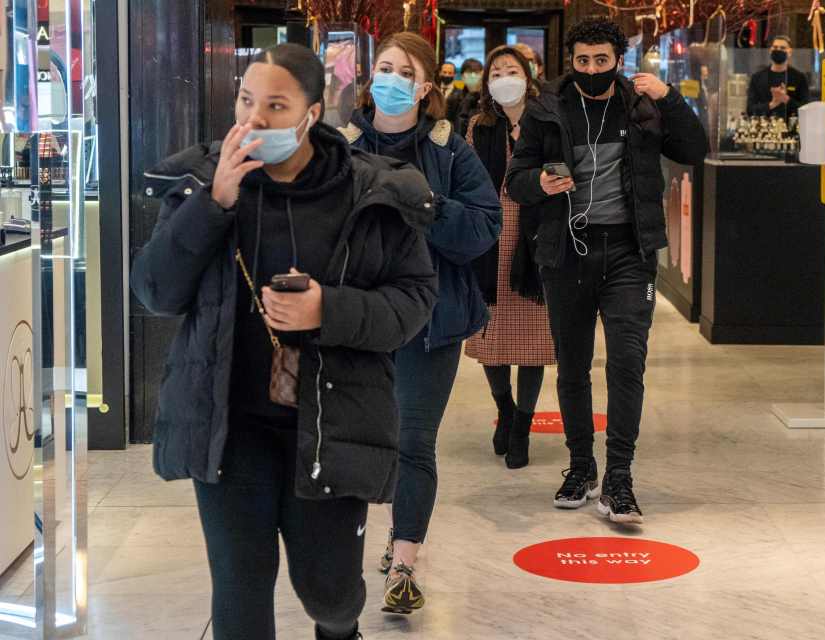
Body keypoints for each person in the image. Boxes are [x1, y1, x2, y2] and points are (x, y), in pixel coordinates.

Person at [131, 44, 438, 640]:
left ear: (312, 113)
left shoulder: (370, 191)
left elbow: (415, 300)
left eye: (275, 105)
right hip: (230, 429)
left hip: (332, 424)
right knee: (240, 595)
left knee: (331, 596)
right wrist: (213, 202)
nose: (255, 119)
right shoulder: (204, 182)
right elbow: (155, 292)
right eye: (247, 101)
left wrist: (329, 308)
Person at [506, 18, 707, 524]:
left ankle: (619, 477)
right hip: (566, 250)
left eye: (601, 60)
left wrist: (670, 100)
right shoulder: (547, 108)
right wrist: (540, 183)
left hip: (628, 252)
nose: (591, 69)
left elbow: (693, 150)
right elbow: (516, 180)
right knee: (573, 366)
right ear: (569, 62)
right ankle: (580, 466)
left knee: (626, 364)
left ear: (619, 60)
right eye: (582, 61)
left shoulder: (640, 105)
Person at [339, 32, 501, 615]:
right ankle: (352, 549)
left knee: (412, 441)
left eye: (406, 72)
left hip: (429, 321)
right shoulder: (341, 144)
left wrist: (425, 204)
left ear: (426, 86)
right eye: (385, 67)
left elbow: (485, 228)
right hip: (355, 319)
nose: (393, 79)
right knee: (357, 442)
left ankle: (405, 560)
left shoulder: (450, 149)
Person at [464, 45, 555, 469]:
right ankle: (504, 408)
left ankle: (523, 425)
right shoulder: (478, 127)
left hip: (536, 237)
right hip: (491, 238)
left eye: (511, 70)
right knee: (492, 339)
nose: (504, 77)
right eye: (496, 71)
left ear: (529, 75)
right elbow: (465, 182)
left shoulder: (548, 121)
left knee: (534, 343)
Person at [747, 35, 810, 119]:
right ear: (770, 50)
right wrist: (772, 104)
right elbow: (750, 110)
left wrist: (786, 99)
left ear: (790, 52)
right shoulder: (757, 77)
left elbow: (807, 110)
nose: (778, 50)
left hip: (791, 129)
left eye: (783, 48)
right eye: (775, 47)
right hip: (765, 128)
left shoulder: (799, 78)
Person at [451, 58, 484, 134]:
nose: (473, 76)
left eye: (476, 72)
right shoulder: (454, 98)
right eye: (469, 72)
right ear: (462, 76)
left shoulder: (488, 99)